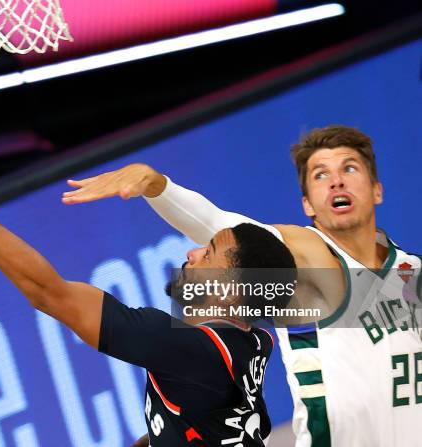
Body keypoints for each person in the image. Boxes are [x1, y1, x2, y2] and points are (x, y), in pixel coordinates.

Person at [0, 118, 297, 447]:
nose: (191, 254)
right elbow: (203, 419)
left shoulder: (184, 347)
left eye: (209, 253)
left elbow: (46, 291)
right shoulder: (251, 340)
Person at [61, 125, 422, 447]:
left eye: (349, 168)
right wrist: (158, 186)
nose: (337, 181)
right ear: (308, 205)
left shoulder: (412, 272)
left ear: (376, 190)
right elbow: (217, 225)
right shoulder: (306, 260)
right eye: (320, 175)